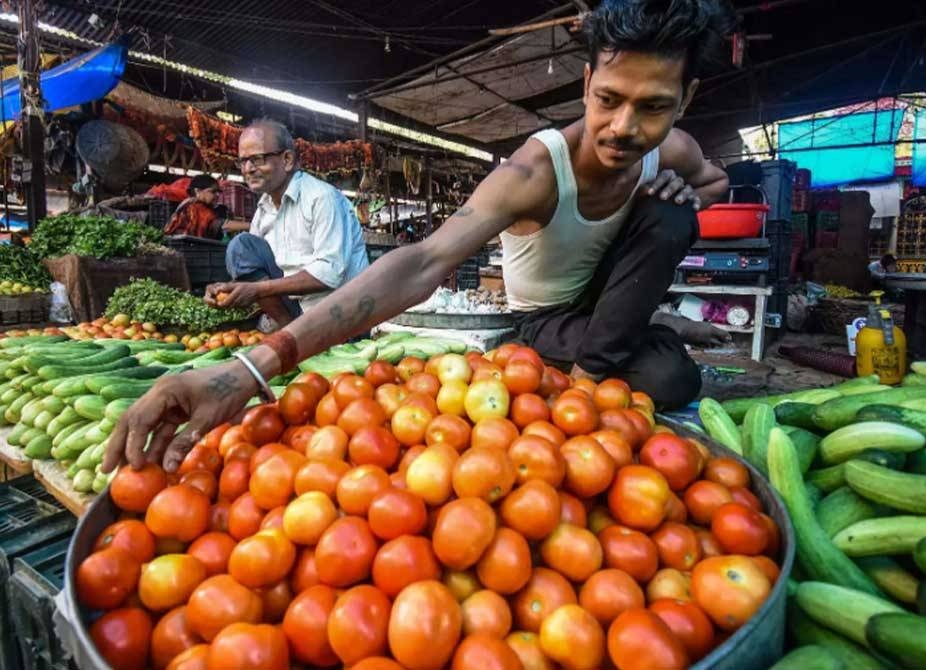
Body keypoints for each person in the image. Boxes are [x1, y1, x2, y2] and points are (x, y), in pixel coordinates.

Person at [103, 0, 734, 474]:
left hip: (606, 308)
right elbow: (423, 261)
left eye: (652, 107)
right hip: (546, 321)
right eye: (608, 99)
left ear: (686, 99)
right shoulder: (534, 172)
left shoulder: (673, 150)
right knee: (672, 381)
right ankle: (600, 378)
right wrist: (248, 370)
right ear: (586, 82)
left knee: (672, 217)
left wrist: (682, 193)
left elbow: (717, 183)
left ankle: (599, 375)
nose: (624, 128)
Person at [203, 119, 370, 329]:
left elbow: (329, 274)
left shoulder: (321, 198)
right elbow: (257, 277)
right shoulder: (263, 211)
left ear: (288, 159)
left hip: (340, 313)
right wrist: (226, 289)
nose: (248, 169)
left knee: (244, 248)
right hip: (298, 310)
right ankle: (290, 331)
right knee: (242, 247)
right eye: (243, 161)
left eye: (257, 159)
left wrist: (258, 290)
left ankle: (295, 335)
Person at [163, 175, 227, 239]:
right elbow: (216, 223)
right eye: (213, 191)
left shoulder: (189, 203)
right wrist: (236, 226)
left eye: (218, 192)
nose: (217, 195)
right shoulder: (194, 206)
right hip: (184, 246)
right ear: (197, 191)